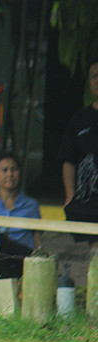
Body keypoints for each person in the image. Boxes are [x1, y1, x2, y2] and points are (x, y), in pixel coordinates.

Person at [60, 55, 98, 248]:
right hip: (89, 200)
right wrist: (70, 195)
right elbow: (69, 160)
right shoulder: (80, 119)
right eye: (94, 76)